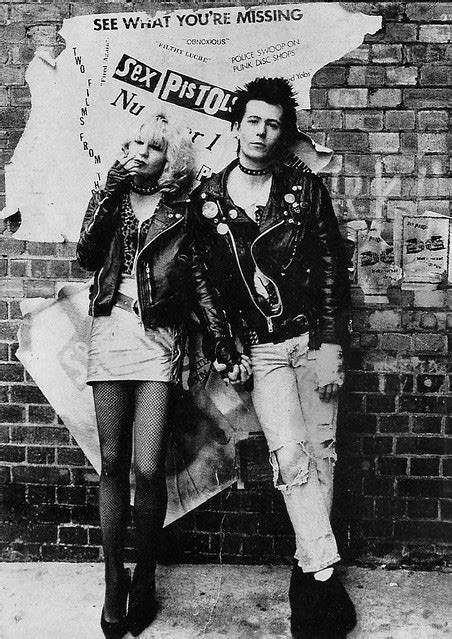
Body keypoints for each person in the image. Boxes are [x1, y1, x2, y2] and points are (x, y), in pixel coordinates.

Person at [192, 77, 356, 638]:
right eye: (253, 120)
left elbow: (333, 268)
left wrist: (333, 345)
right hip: (262, 353)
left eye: (273, 123)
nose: (261, 132)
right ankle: (323, 572)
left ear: (284, 133)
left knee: (322, 454)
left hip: (311, 341)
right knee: (291, 457)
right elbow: (204, 285)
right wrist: (222, 344)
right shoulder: (208, 199)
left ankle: (308, 572)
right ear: (236, 125)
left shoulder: (305, 190)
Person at [77, 114, 243, 638]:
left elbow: (197, 279)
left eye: (152, 146)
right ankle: (112, 582)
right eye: (132, 143)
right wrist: (107, 189)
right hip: (109, 332)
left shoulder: (183, 209)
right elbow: (86, 256)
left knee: (147, 469)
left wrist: (219, 340)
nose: (140, 152)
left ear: (170, 156)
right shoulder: (112, 196)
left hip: (157, 342)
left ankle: (144, 579)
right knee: (111, 462)